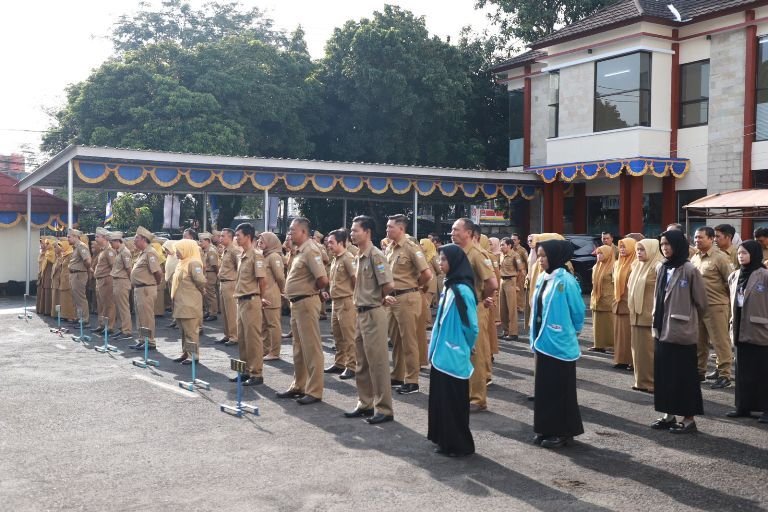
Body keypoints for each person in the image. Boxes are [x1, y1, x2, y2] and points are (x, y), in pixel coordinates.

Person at [530, 240, 585, 449]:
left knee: (561, 390)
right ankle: (546, 428)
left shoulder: (566, 280)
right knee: (545, 389)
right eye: (539, 256)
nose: (541, 260)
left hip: (560, 343)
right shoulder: (544, 277)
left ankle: (563, 431)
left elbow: (578, 311)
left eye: (544, 256)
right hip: (543, 341)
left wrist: (572, 331)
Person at [651, 230, 708, 434]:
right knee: (664, 375)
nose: (665, 247)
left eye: (668, 244)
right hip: (661, 329)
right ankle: (669, 414)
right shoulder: (661, 267)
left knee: (684, 376)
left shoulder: (689, 269)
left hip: (681, 331)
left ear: (678, 245)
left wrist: (688, 320)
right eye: (662, 244)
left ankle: (688, 419)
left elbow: (701, 303)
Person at [426, 243, 479, 457]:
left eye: (444, 260)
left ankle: (460, 444)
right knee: (441, 399)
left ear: (455, 262)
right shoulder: (449, 285)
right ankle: (443, 439)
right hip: (441, 354)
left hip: (453, 352)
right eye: (440, 259)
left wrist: (464, 346)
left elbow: (471, 326)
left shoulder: (462, 290)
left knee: (454, 400)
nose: (440, 263)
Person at [343, 215, 395, 425]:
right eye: (352, 230)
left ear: (367, 232)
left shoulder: (376, 255)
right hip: (361, 313)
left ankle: (384, 408)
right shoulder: (358, 256)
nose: (352, 233)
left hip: (373, 312)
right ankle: (365, 403)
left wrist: (379, 301)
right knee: (362, 363)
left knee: (378, 363)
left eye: (356, 230)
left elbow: (388, 285)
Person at [276, 217, 329, 404]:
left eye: (292, 230)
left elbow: (322, 279)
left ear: (303, 232)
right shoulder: (298, 251)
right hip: (296, 304)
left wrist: (310, 290)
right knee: (298, 348)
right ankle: (299, 385)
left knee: (311, 348)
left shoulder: (311, 250)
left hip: (306, 303)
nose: (289, 233)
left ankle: (314, 391)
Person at [451, 218, 497, 413]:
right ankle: (465, 393)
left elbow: (492, 283)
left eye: (456, 230)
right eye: (451, 230)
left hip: (473, 307)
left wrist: (480, 300)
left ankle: (478, 399)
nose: (452, 233)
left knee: (475, 353)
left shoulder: (477, 254)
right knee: (461, 351)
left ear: (469, 233)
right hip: (459, 307)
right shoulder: (458, 253)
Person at [385, 214, 432, 395]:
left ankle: (412, 380)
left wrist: (414, 286)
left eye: (391, 227)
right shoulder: (390, 248)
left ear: (401, 229)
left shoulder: (411, 247)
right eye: (387, 227)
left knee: (409, 340)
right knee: (396, 339)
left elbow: (426, 274)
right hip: (393, 299)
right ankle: (397, 375)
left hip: (407, 298)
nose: (387, 230)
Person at [726, 241, 768, 424]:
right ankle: (743, 406)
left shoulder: (764, 275)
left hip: (760, 329)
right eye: (739, 253)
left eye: (744, 253)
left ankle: (766, 408)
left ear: (754, 254)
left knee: (762, 371)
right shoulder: (734, 275)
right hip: (739, 327)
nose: (740, 256)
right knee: (742, 370)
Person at [691, 226, 734, 388]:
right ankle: (699, 371)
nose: (697, 240)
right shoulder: (694, 257)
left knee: (720, 342)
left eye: (701, 237)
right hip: (698, 307)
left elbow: (731, 281)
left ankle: (725, 375)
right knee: (699, 341)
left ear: (710, 239)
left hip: (716, 306)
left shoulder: (720, 258)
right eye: (695, 238)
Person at [230, 223, 268, 386]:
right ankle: (245, 371)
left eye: (238, 235)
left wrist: (260, 297)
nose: (236, 238)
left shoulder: (256, 255)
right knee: (243, 340)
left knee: (253, 339)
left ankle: (256, 373)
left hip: (251, 300)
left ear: (248, 236)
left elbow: (262, 281)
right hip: (241, 300)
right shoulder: (242, 255)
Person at [627, 239, 662, 393]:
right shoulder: (636, 265)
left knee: (649, 352)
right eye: (638, 249)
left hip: (649, 315)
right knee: (638, 351)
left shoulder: (658, 266)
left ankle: (653, 383)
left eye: (642, 250)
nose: (639, 253)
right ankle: (640, 381)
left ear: (652, 250)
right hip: (635, 314)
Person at [323, 229, 357, 378]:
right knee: (337, 336)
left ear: (341, 243)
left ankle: (352, 366)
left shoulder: (348, 258)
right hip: (336, 302)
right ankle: (340, 363)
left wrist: (356, 298)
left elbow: (355, 279)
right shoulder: (336, 258)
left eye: (331, 242)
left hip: (346, 301)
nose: (328, 245)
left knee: (349, 336)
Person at [171, 239, 206, 365]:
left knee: (191, 331)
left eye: (179, 250)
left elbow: (200, 281)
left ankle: (193, 355)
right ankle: (185, 352)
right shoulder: (182, 262)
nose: (177, 253)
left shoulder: (194, 263)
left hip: (189, 302)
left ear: (187, 249)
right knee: (183, 331)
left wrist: (201, 291)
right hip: (181, 302)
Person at [128, 227, 163, 351]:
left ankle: (150, 341)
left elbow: (158, 272)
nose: (134, 240)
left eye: (136, 238)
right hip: (140, 289)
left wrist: (153, 284)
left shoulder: (150, 253)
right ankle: (142, 339)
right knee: (140, 316)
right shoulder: (142, 253)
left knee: (147, 317)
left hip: (146, 289)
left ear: (143, 239)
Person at [259, 231, 285, 360]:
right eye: (259, 240)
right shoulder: (264, 256)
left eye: (262, 240)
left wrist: (282, 290)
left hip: (271, 294)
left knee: (273, 325)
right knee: (264, 324)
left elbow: (280, 277)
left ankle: (275, 352)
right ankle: (265, 349)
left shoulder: (274, 256)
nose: (259, 243)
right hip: (263, 294)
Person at [612, 238, 637, 370]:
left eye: (624, 247)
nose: (622, 249)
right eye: (620, 247)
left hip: (628, 303)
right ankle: (620, 359)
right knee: (620, 334)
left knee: (629, 334)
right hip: (618, 303)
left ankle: (631, 361)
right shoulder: (617, 263)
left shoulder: (635, 263)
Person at [90, 228, 116, 334]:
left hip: (106, 280)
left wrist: (109, 279)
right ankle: (102, 324)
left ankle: (109, 326)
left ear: (104, 238)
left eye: (97, 236)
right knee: (100, 304)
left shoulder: (109, 251)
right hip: (100, 280)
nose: (95, 238)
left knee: (108, 304)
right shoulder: (102, 251)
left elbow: (114, 266)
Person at [217, 229, 240, 346]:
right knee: (224, 311)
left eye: (223, 236)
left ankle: (234, 336)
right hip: (223, 283)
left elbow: (240, 268)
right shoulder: (225, 250)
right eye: (220, 236)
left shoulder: (234, 251)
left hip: (230, 283)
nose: (220, 238)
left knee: (231, 311)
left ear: (230, 237)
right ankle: (227, 334)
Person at [590, 245, 615, 353]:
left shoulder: (613, 266)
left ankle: (611, 345)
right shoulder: (596, 266)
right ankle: (598, 344)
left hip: (608, 298)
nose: (599, 255)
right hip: (596, 298)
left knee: (609, 323)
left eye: (601, 253)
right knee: (597, 323)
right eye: (598, 253)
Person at [109, 232, 134, 341]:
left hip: (122, 282)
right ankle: (122, 328)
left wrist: (131, 282)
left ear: (117, 241)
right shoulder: (119, 252)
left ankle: (127, 331)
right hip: (117, 281)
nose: (110, 245)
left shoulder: (125, 252)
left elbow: (129, 269)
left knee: (124, 307)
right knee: (119, 308)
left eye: (111, 242)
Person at [67, 229, 92, 326]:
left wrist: (86, 268)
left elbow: (87, 260)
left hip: (79, 274)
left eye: (69, 237)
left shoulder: (81, 246)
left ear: (75, 236)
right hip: (75, 274)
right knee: (76, 298)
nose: (67, 239)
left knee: (80, 298)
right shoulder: (76, 247)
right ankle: (79, 317)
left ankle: (84, 320)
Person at [499, 238, 522, 341]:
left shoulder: (515, 255)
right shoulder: (501, 255)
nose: (501, 247)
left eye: (503, 245)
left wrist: (517, 284)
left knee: (512, 308)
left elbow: (521, 271)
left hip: (511, 281)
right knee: (502, 308)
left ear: (509, 246)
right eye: (500, 245)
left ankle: (513, 333)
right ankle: (506, 331)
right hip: (502, 281)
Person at [199, 232, 219, 321]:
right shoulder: (206, 250)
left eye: (201, 241)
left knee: (210, 293)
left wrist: (216, 275)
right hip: (206, 273)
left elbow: (214, 265)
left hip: (210, 273)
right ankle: (208, 311)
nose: (200, 243)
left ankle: (213, 312)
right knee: (206, 294)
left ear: (207, 241)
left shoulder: (211, 251)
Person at [37, 237, 55, 316]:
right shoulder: (44, 253)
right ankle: (42, 309)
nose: (42, 245)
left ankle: (48, 310)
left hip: (49, 275)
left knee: (48, 292)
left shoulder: (52, 253)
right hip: (42, 274)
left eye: (45, 243)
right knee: (42, 292)